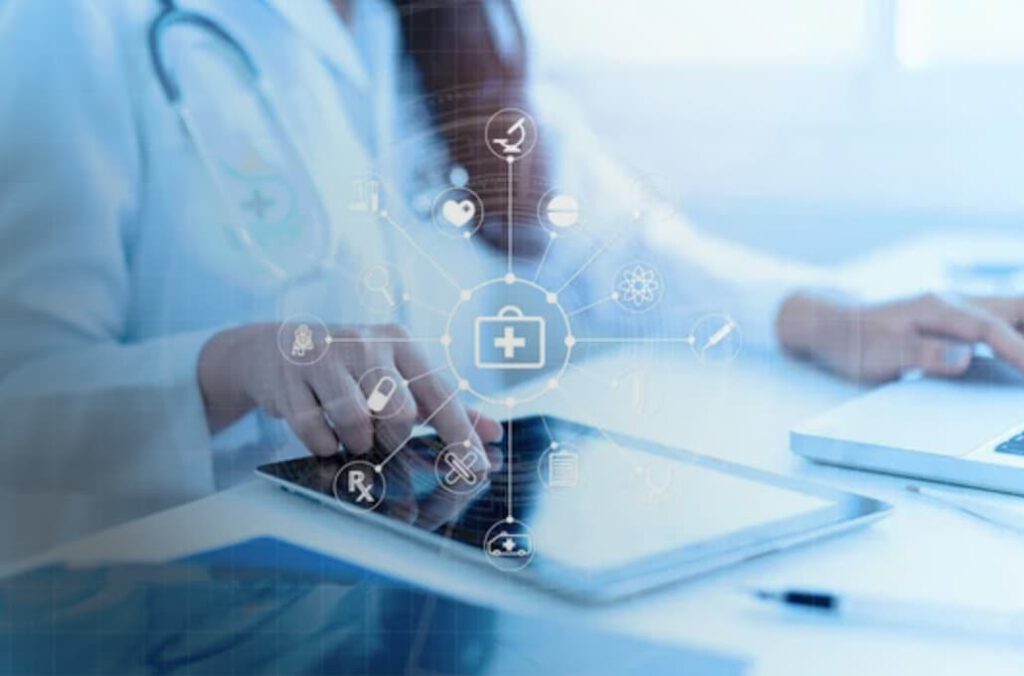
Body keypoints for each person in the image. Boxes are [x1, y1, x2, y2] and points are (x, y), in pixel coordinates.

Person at [2, 0, 1024, 561]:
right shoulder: (75, 28)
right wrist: (223, 366)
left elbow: (630, 251)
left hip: (460, 562)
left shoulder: (457, 29)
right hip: (213, 587)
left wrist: (829, 317)